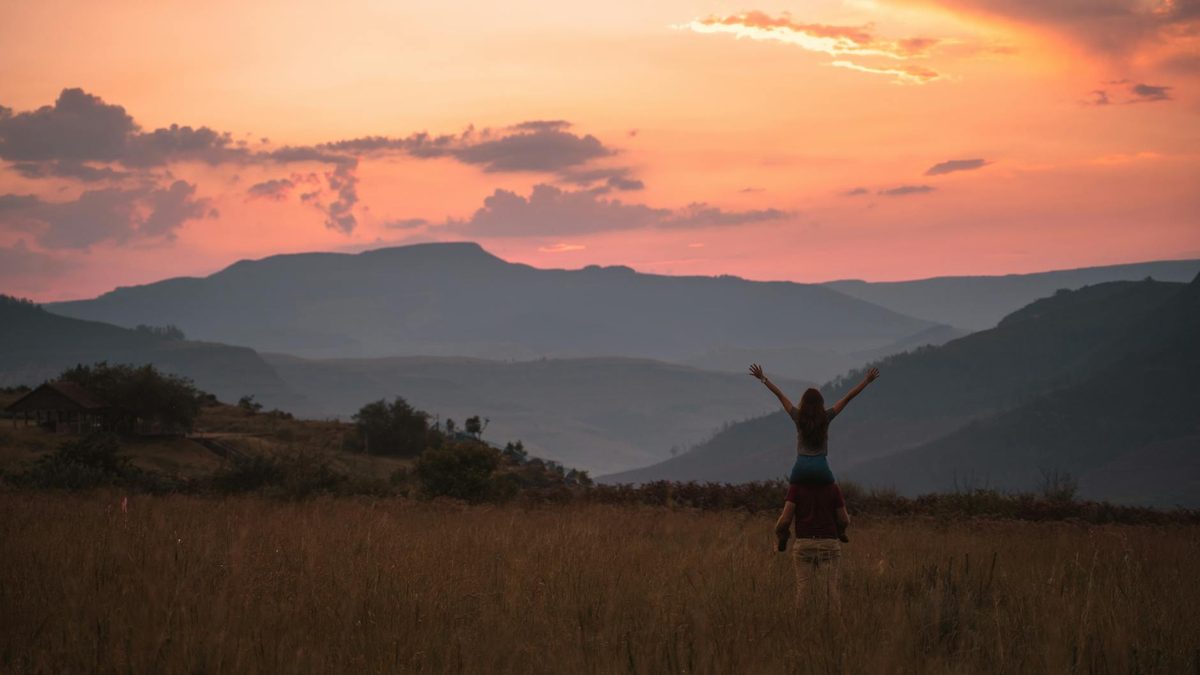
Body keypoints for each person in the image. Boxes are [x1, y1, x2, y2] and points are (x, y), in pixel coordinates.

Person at [749, 364, 880, 542]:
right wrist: (866, 381)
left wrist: (763, 379)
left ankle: (782, 533)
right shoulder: (826, 417)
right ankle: (841, 530)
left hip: (800, 467)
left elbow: (781, 396)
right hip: (821, 467)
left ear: (804, 403)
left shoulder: (797, 416)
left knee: (792, 499)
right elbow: (848, 397)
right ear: (820, 404)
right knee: (835, 496)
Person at [774, 480, 850, 610]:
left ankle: (801, 625)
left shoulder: (796, 487)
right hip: (829, 544)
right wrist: (841, 530)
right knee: (829, 589)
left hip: (804, 544)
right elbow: (843, 519)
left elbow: (785, 519)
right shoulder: (833, 488)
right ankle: (835, 624)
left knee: (804, 589)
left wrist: (779, 532)